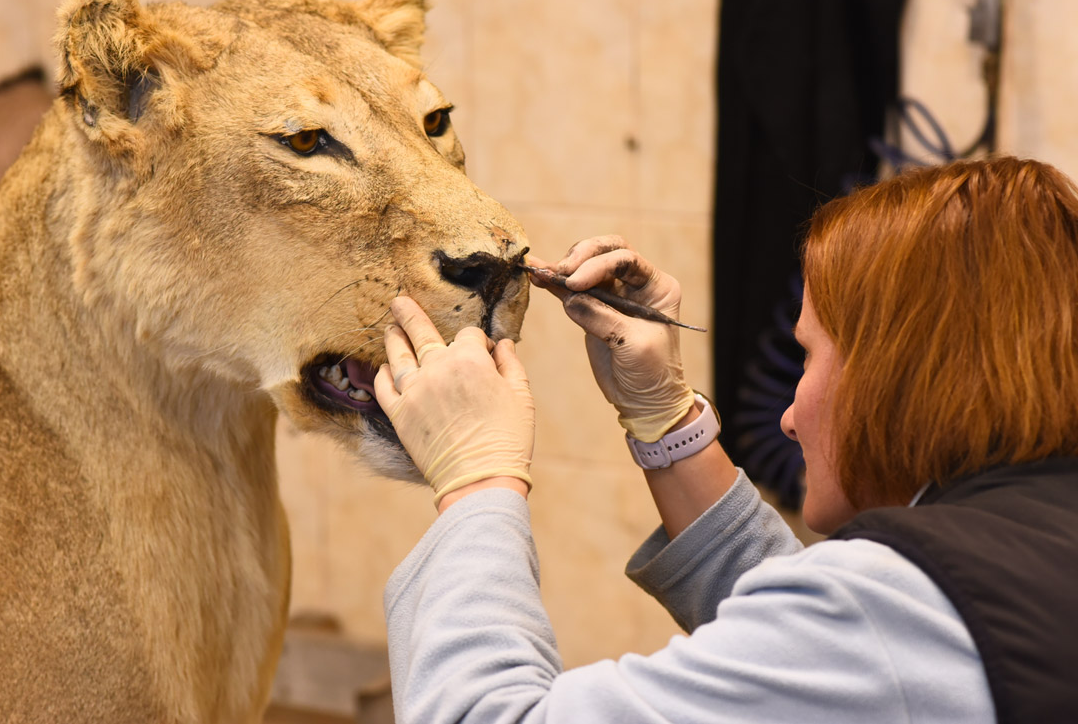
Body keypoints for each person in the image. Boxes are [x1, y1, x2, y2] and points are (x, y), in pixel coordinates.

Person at [372, 156, 1078, 723]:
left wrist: (476, 480)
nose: (790, 416)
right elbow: (813, 666)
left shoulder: (895, 616)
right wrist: (663, 417)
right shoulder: (1033, 554)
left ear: (895, 373)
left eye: (809, 356)